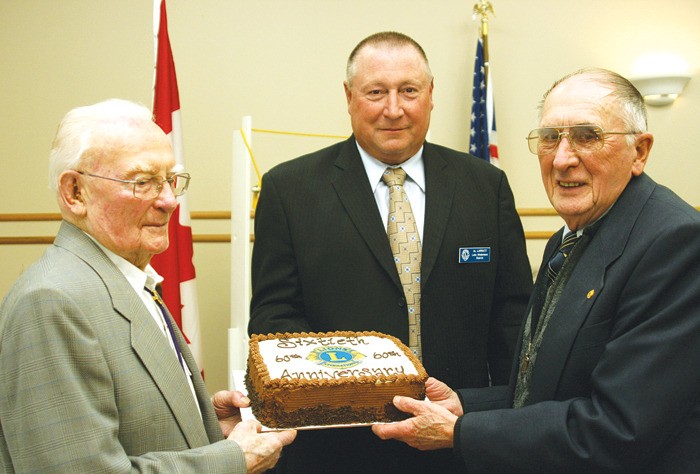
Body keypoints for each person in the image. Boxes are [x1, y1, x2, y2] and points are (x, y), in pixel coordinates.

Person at [372, 68, 700, 472]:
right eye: (549, 138)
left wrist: (460, 432)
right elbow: (548, 387)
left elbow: (619, 428)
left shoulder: (676, 244)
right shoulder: (570, 236)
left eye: (587, 136)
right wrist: (464, 404)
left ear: (640, 151)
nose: (562, 159)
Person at [248, 31, 532, 473]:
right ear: (349, 97)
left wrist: (500, 421)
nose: (394, 109)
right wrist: (353, 392)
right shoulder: (290, 190)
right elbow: (274, 318)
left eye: (409, 91)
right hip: (336, 450)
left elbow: (512, 320)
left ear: (431, 95)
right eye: (376, 92)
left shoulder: (485, 186)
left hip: (460, 441)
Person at [0, 99, 296, 473]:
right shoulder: (50, 302)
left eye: (171, 180)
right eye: (143, 182)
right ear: (75, 192)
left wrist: (204, 426)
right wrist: (231, 460)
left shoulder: (125, 277)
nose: (170, 201)